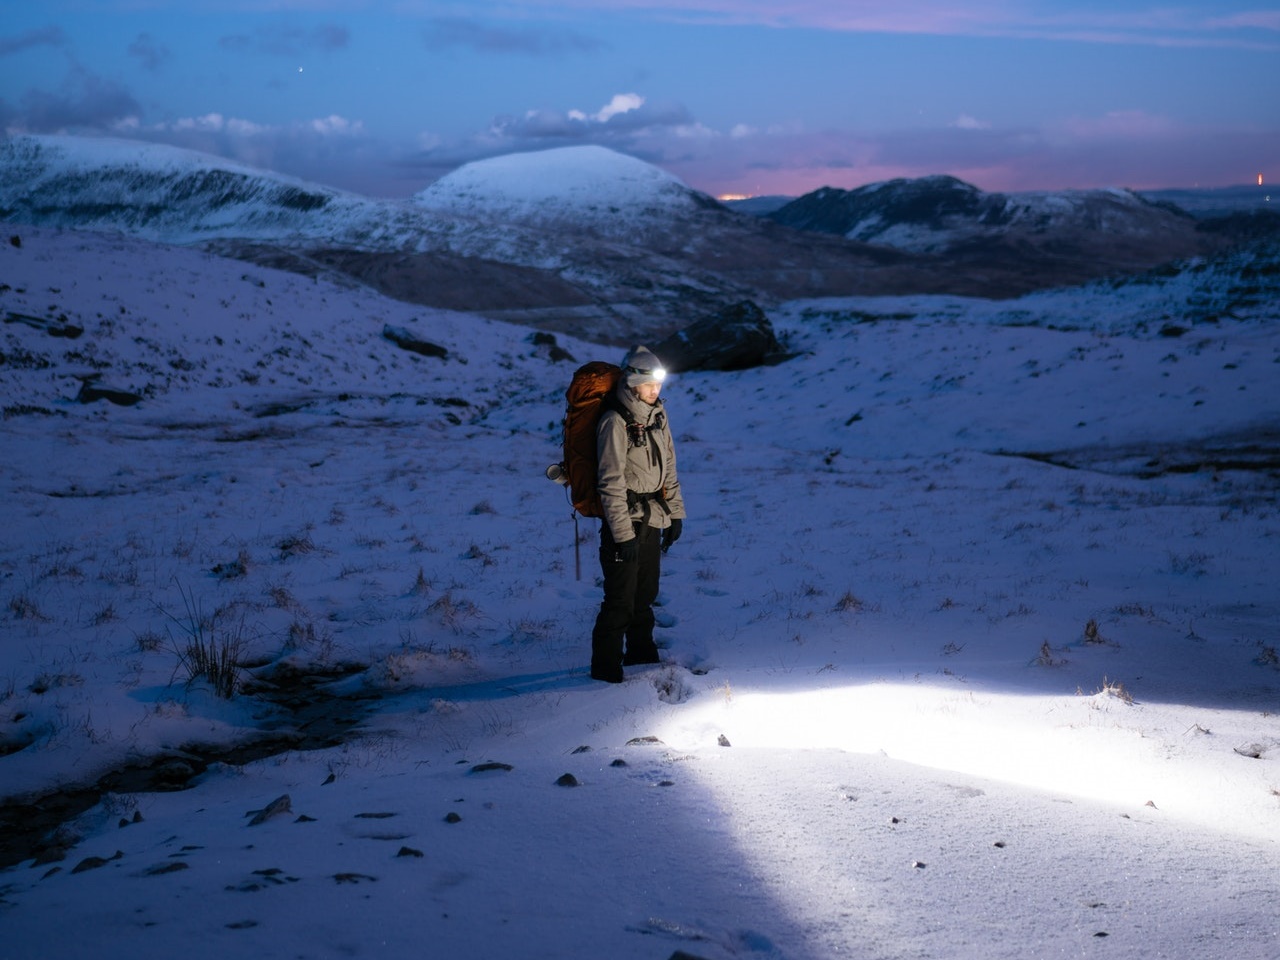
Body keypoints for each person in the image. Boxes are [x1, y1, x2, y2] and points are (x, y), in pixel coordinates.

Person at [590, 345, 686, 683]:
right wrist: (622, 535)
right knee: (620, 600)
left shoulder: (657, 415)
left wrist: (675, 514)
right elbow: (610, 482)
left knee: (645, 596)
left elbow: (669, 467)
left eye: (658, 385)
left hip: (652, 517)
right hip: (625, 522)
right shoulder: (614, 421)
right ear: (632, 383)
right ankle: (605, 672)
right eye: (649, 385)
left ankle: (642, 658)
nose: (655, 391)